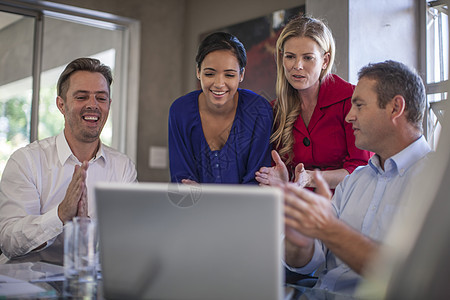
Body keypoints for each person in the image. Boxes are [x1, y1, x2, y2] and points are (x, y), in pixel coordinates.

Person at [283, 60, 431, 295]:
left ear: (395, 108)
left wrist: (328, 228)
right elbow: (309, 262)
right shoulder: (354, 181)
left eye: (359, 105)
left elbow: (414, 277)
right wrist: (299, 241)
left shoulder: (436, 185)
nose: (349, 116)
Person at [0, 58, 137, 263]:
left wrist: (88, 229)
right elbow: (8, 241)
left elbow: (130, 239)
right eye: (82, 97)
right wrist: (60, 215)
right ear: (61, 105)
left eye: (101, 98)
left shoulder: (123, 167)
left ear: (109, 104)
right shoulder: (26, 161)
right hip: (30, 286)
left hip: (92, 282)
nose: (93, 105)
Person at [255, 15, 371, 189]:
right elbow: (282, 176)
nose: (297, 66)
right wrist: (281, 180)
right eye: (290, 57)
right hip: (295, 210)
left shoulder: (351, 100)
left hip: (344, 209)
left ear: (325, 60)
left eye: (308, 58)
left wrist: (311, 178)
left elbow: (362, 170)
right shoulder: (274, 110)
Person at [169, 32, 273, 184]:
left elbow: (258, 180)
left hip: (249, 207)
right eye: (210, 74)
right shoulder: (180, 111)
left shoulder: (259, 111)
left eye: (229, 75)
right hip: (196, 208)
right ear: (198, 72)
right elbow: (182, 180)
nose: (219, 84)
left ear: (241, 74)